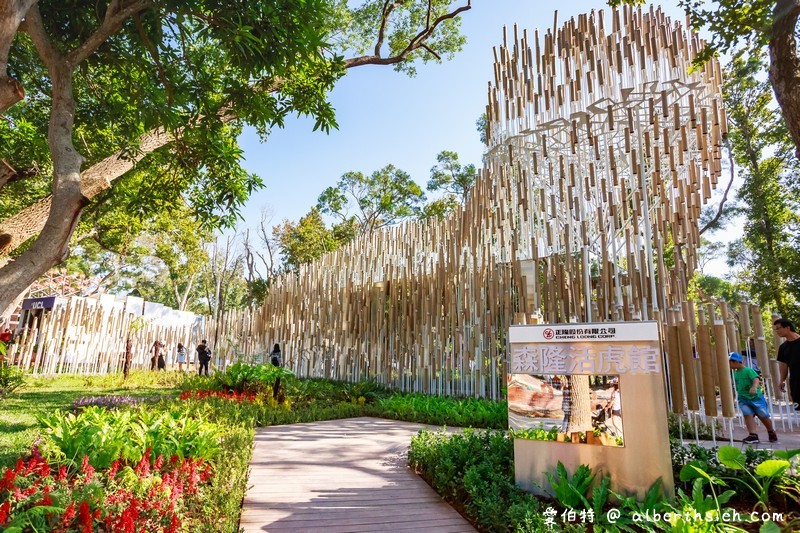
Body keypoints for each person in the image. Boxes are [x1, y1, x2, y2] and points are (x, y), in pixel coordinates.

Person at [729, 351, 778, 444]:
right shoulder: (735, 373)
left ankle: (771, 431)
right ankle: (753, 435)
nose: (729, 364)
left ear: (736, 361)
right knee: (747, 415)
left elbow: (756, 378)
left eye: (730, 362)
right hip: (743, 398)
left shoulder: (748, 370)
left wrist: (754, 387)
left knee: (763, 415)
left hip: (756, 398)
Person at [776, 319, 800, 410]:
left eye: (778, 328)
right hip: (795, 381)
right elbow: (784, 365)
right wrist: (781, 380)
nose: (777, 331)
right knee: (798, 405)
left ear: (787, 328)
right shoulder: (783, 347)